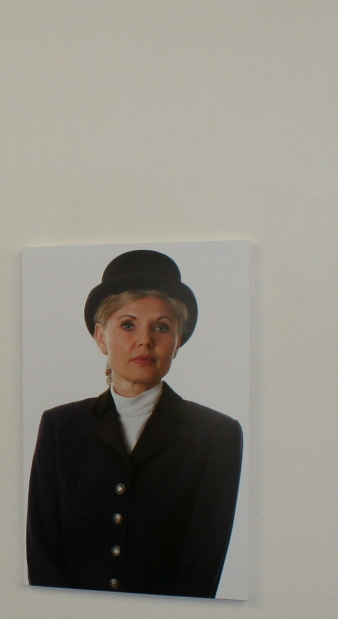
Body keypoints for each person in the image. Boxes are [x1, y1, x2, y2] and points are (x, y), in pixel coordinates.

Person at [27, 250, 242, 596]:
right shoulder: (60, 427)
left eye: (161, 327)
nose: (145, 340)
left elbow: (203, 560)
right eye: (128, 325)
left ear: (178, 341)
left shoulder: (215, 435)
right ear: (101, 336)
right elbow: (43, 549)